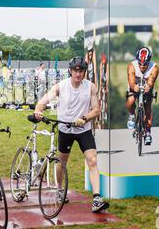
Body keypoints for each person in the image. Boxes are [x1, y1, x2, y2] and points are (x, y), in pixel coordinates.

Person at [34, 56, 110, 213]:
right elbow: (44, 100)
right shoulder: (61, 86)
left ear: (84, 72)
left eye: (81, 71)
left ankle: (96, 198)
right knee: (62, 162)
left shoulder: (91, 87)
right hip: (65, 129)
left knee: (93, 160)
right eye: (75, 70)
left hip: (83, 129)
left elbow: (96, 110)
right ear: (70, 71)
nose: (78, 74)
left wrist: (85, 118)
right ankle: (60, 189)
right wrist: (38, 111)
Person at [126, 46, 159, 145]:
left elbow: (151, 81)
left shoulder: (154, 68)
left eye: (144, 65)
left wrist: (148, 86)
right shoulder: (132, 66)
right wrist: (134, 87)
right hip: (135, 82)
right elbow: (131, 82)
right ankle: (132, 115)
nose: (142, 66)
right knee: (131, 101)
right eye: (140, 64)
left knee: (147, 108)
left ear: (149, 61)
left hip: (147, 83)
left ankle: (148, 132)